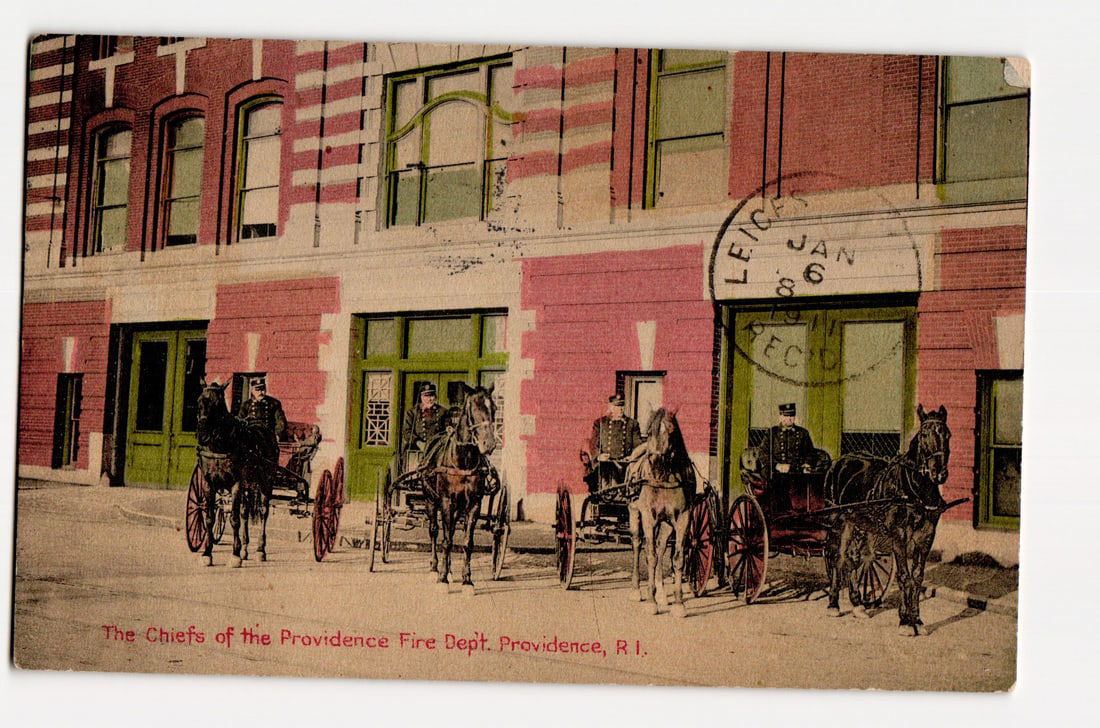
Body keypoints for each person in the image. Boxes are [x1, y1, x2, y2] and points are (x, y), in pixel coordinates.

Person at [586, 393, 644, 492]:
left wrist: (632, 457)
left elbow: (638, 444)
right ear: (611, 407)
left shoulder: (632, 424)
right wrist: (599, 456)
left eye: (622, 406)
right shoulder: (600, 423)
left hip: (625, 463)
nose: (620, 409)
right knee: (604, 473)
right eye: (617, 406)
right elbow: (593, 444)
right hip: (606, 464)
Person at [764, 402, 815, 512]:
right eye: (787, 416)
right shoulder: (772, 433)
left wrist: (807, 464)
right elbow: (763, 453)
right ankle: (782, 512)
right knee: (780, 483)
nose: (790, 419)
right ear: (781, 416)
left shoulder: (802, 433)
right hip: (777, 472)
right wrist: (776, 465)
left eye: (792, 416)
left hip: (797, 470)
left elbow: (810, 452)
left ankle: (803, 511)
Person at [396, 382, 448, 475]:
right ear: (421, 397)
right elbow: (406, 432)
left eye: (431, 395)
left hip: (438, 448)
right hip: (418, 448)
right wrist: (418, 442)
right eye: (426, 396)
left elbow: (447, 430)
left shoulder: (442, 411)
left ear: (435, 396)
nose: (429, 399)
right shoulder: (412, 413)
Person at [237, 376, 287, 442]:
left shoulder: (274, 403)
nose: (260, 392)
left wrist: (277, 434)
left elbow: (281, 421)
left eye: (263, 389)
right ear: (252, 391)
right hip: (250, 436)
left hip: (268, 436)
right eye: (257, 390)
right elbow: (240, 420)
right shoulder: (246, 404)